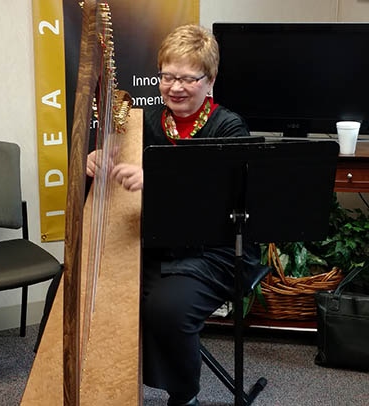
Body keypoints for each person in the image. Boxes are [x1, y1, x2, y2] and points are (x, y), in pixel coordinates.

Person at [87, 24, 264, 406]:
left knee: (167, 308)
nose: (175, 87)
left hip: (216, 251)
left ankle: (184, 396)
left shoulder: (229, 127)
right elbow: (121, 166)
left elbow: (224, 200)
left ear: (210, 80)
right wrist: (100, 159)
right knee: (90, 289)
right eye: (167, 76)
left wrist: (155, 181)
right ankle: (104, 384)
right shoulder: (146, 123)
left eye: (187, 78)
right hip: (159, 243)